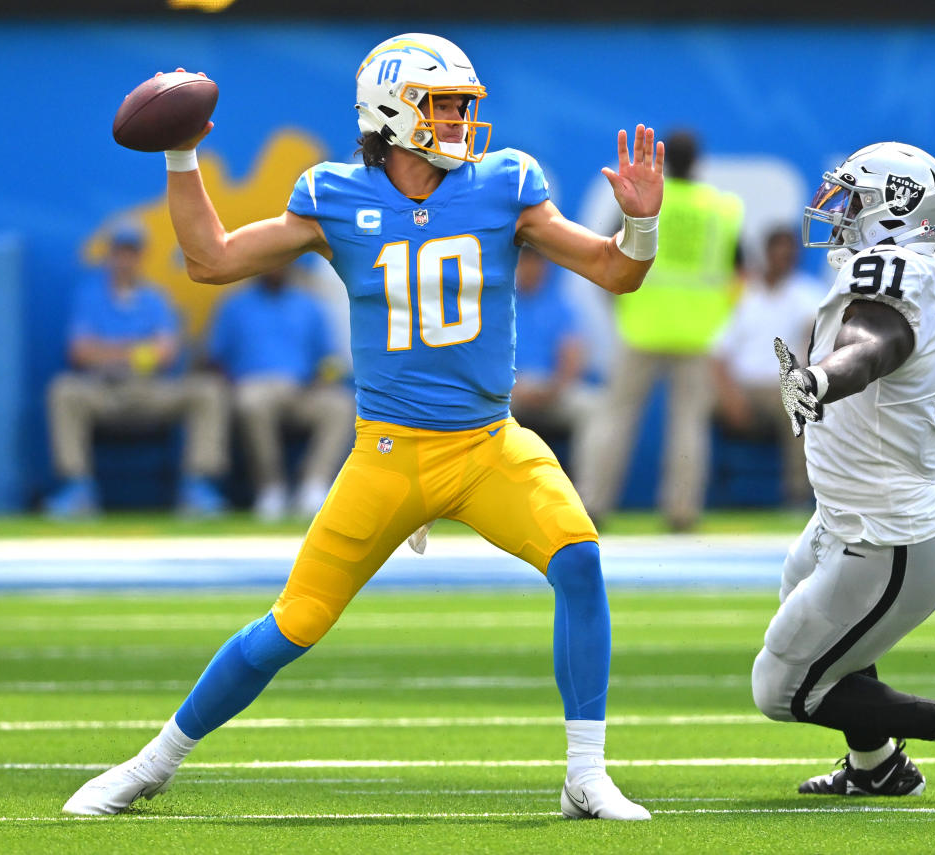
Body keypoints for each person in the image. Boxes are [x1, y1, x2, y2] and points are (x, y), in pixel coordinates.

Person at [63, 33, 663, 821]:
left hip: (488, 444)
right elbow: (209, 260)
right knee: (295, 623)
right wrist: (181, 156)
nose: (459, 121)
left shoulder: (507, 183)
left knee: (580, 560)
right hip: (387, 455)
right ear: (392, 108)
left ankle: (586, 772)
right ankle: (149, 763)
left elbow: (616, 271)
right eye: (443, 104)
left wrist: (642, 225)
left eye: (462, 105)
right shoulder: (334, 194)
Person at [749, 142, 935, 800]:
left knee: (782, 685)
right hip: (876, 516)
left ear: (897, 211)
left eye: (853, 199)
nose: (837, 210)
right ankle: (877, 766)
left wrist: (819, 378)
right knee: (814, 611)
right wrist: (915, 469)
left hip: (889, 539)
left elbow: (873, 345)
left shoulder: (891, 276)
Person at [577, 130, 743, 532]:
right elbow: (740, 274)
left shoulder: (647, 200)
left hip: (641, 325)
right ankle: (682, 512)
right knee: (690, 424)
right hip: (698, 331)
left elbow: (610, 254)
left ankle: (593, 505)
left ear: (667, 160)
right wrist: (720, 313)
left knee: (615, 416)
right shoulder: (719, 209)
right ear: (698, 161)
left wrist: (617, 303)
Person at [44, 223, 228, 517]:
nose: (125, 260)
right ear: (110, 255)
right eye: (119, 252)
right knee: (64, 390)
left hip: (150, 392)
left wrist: (107, 351)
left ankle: (197, 487)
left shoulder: (155, 299)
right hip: (103, 393)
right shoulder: (89, 296)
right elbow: (79, 352)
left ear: (141, 257)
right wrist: (139, 351)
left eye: (132, 253)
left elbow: (166, 353)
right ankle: (77, 489)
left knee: (206, 391)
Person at [207, 264, 354, 520]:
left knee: (341, 405)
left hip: (301, 390)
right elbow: (214, 358)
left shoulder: (310, 305)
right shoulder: (236, 305)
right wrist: (230, 383)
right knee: (250, 402)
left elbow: (329, 359)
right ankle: (270, 488)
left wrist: (322, 378)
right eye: (270, 260)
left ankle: (314, 485)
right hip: (254, 386)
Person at [711, 226, 822, 507]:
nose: (784, 258)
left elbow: (814, 344)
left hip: (781, 387)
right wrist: (730, 396)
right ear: (766, 254)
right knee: (692, 407)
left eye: (789, 253)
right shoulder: (743, 295)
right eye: (778, 252)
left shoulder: (809, 295)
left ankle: (797, 497)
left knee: (797, 405)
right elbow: (718, 353)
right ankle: (695, 498)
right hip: (741, 388)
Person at [509, 245, 597, 481]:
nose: (531, 269)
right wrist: (513, 389)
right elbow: (484, 360)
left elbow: (572, 353)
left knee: (594, 410)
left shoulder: (561, 305)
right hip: (507, 390)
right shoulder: (497, 305)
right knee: (481, 409)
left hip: (551, 387)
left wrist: (557, 387)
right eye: (524, 263)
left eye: (536, 263)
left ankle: (586, 501)